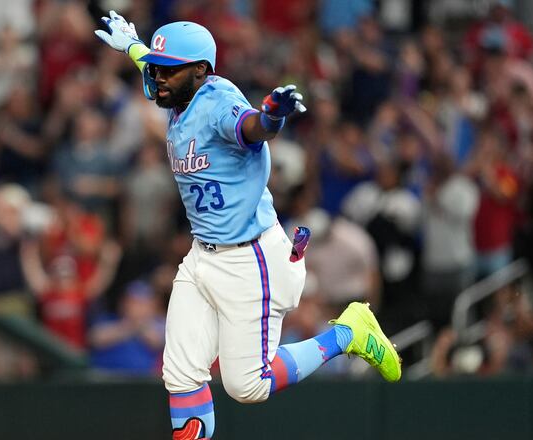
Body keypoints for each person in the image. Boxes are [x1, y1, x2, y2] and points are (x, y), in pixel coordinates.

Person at [95, 12, 401, 439]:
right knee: (180, 373)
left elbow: (250, 127)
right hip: (203, 254)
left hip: (250, 258)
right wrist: (133, 45)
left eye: (168, 70)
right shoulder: (181, 91)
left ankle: (349, 333)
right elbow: (155, 63)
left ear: (201, 71)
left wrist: (272, 117)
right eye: (156, 68)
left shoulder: (219, 101)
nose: (157, 77)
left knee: (248, 386)